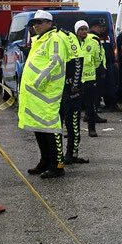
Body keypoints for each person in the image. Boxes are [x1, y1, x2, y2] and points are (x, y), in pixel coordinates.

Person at [18, 10, 73, 179]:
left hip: (47, 93)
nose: (36, 25)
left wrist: (37, 82)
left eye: (40, 22)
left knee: (51, 129)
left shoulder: (54, 39)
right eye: (34, 23)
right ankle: (45, 160)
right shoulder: (39, 40)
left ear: (49, 23)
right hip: (36, 95)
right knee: (39, 128)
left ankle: (57, 165)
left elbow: (55, 62)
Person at [57, 24, 87, 164]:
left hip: (71, 88)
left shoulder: (67, 37)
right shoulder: (51, 38)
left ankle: (72, 153)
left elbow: (78, 61)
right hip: (58, 87)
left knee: (72, 121)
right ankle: (57, 155)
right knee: (57, 123)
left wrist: (75, 85)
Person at [77, 20, 103, 137]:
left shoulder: (93, 43)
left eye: (85, 29)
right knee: (74, 107)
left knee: (90, 106)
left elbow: (98, 59)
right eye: (81, 29)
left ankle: (92, 129)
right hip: (76, 79)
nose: (84, 32)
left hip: (89, 79)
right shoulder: (72, 43)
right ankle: (74, 130)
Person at [88, 19, 111, 116]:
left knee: (96, 92)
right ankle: (92, 113)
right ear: (93, 27)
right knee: (94, 93)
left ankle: (92, 112)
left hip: (97, 68)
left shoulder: (97, 37)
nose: (102, 29)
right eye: (99, 27)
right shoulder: (92, 38)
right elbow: (96, 56)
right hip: (94, 69)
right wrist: (100, 68)